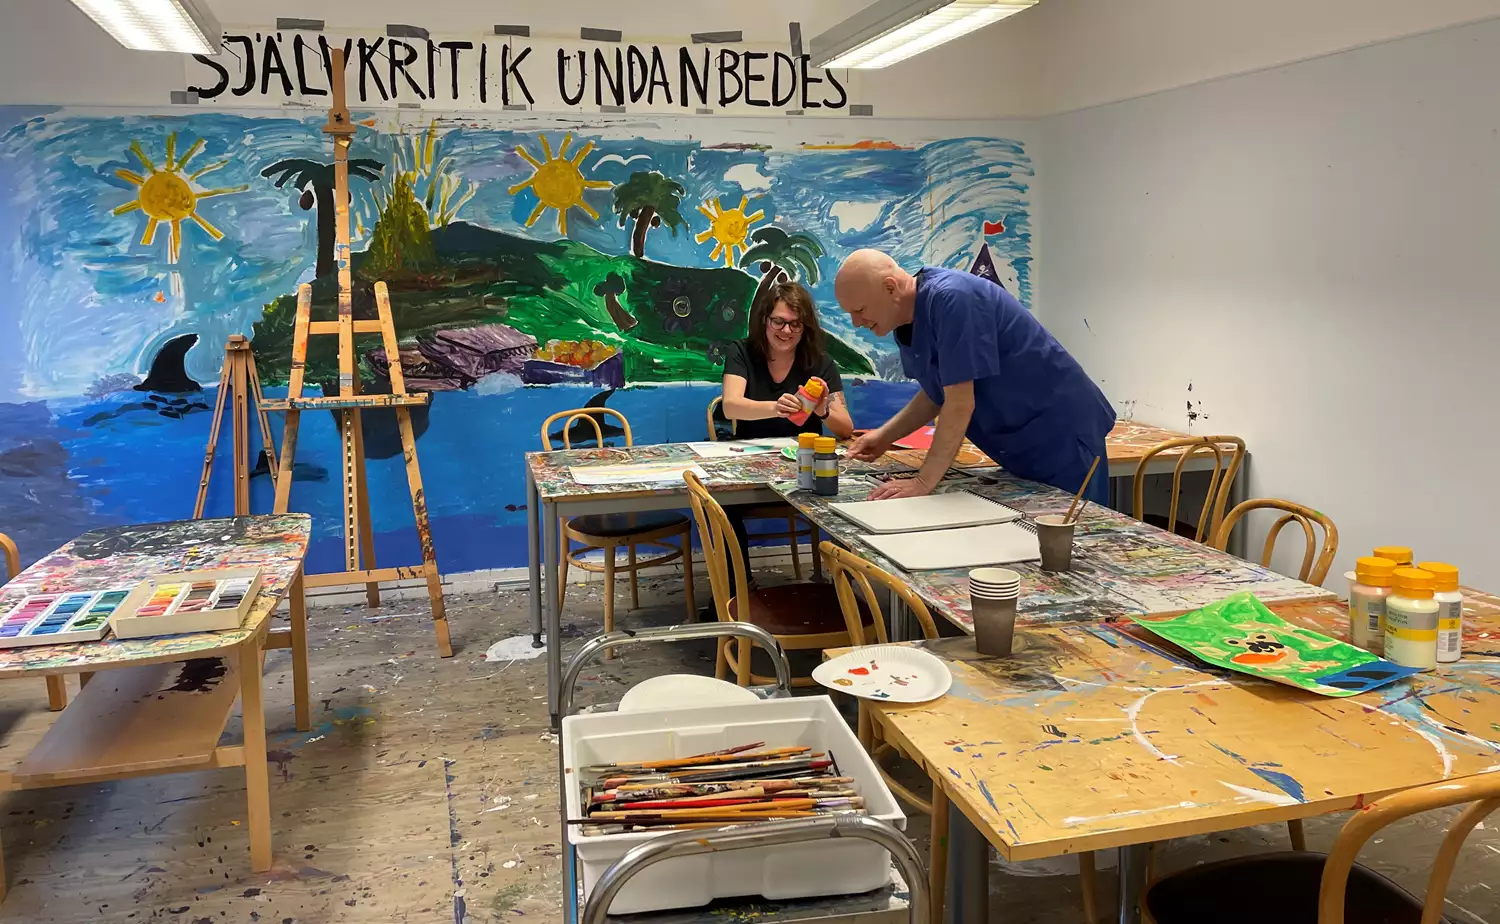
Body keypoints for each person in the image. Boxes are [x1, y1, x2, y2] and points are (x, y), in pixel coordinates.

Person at [833, 249, 1114, 502]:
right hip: (1021, 446)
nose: (857, 323)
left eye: (860, 310)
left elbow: (959, 403)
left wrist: (923, 481)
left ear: (890, 287)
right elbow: (937, 394)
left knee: (1074, 544)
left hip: (1062, 438)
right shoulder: (906, 322)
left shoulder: (953, 298)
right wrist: (884, 436)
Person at [720, 280, 855, 441]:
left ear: (805, 327)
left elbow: (846, 430)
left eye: (795, 324)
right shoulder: (741, 352)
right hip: (749, 451)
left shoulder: (821, 363)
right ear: (765, 320)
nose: (786, 330)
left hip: (804, 454)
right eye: (778, 322)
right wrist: (777, 407)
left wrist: (822, 411)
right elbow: (730, 407)